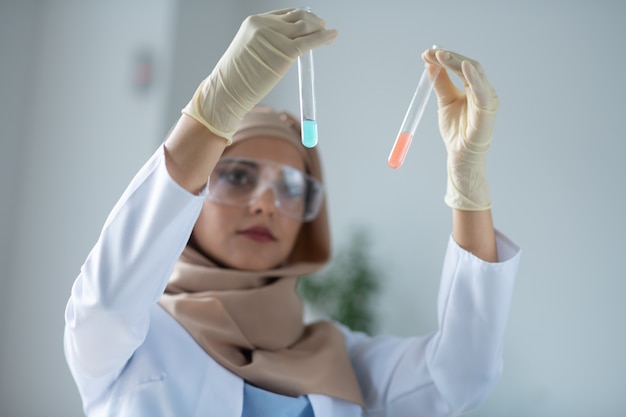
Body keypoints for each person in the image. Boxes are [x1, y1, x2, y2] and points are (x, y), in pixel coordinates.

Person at [64, 8, 521, 417]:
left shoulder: (339, 356)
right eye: (239, 175)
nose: (266, 203)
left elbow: (460, 376)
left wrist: (469, 188)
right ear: (196, 194)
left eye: (290, 188)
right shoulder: (137, 336)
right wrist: (210, 114)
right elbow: (105, 306)